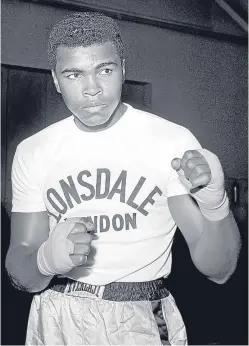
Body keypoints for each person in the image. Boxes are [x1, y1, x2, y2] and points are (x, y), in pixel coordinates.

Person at [5, 12, 241, 346]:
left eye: (105, 70)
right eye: (74, 74)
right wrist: (45, 259)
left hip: (142, 316)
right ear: (56, 81)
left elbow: (220, 271)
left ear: (123, 69)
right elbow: (20, 270)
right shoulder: (34, 151)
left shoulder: (170, 143)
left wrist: (215, 205)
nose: (92, 90)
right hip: (56, 315)